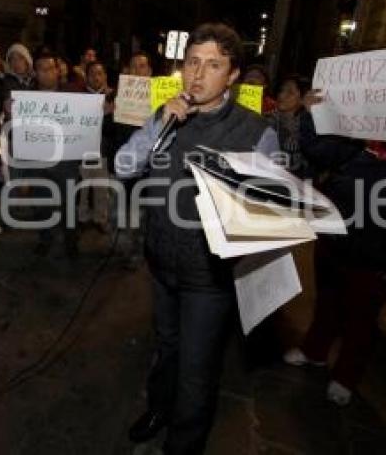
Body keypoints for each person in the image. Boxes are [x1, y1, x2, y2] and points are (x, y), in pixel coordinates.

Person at [115, 23, 278, 454]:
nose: (198, 75)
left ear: (233, 75)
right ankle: (158, 408)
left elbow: (270, 209)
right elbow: (124, 166)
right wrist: (160, 123)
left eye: (213, 65)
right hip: (162, 261)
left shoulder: (256, 132)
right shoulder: (166, 114)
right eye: (192, 62)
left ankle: (183, 445)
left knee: (196, 368)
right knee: (166, 346)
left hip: (210, 275)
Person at [283, 140, 386, 406]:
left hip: (377, 262)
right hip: (334, 246)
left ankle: (346, 376)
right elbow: (320, 161)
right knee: (326, 303)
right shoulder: (355, 152)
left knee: (361, 319)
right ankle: (314, 350)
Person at [17, 51, 81, 258]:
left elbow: (86, 122)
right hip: (37, 160)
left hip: (66, 161)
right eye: (41, 69)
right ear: (35, 72)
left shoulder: (73, 94)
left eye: (50, 68)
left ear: (58, 70)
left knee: (69, 203)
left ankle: (71, 241)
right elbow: (20, 131)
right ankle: (45, 238)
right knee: (41, 203)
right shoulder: (25, 98)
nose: (47, 73)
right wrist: (11, 110)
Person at [78, 61, 115, 232]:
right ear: (86, 76)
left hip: (102, 150)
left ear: (105, 76)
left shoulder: (113, 98)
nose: (96, 77)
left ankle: (101, 218)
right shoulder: (77, 97)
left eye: (100, 73)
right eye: (92, 73)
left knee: (101, 188)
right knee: (83, 187)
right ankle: (82, 217)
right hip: (82, 150)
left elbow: (115, 129)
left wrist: (111, 113)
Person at [267, 74, 312, 178]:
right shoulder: (268, 120)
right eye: (281, 90)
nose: (282, 95)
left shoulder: (310, 126)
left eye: (290, 92)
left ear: (303, 99)